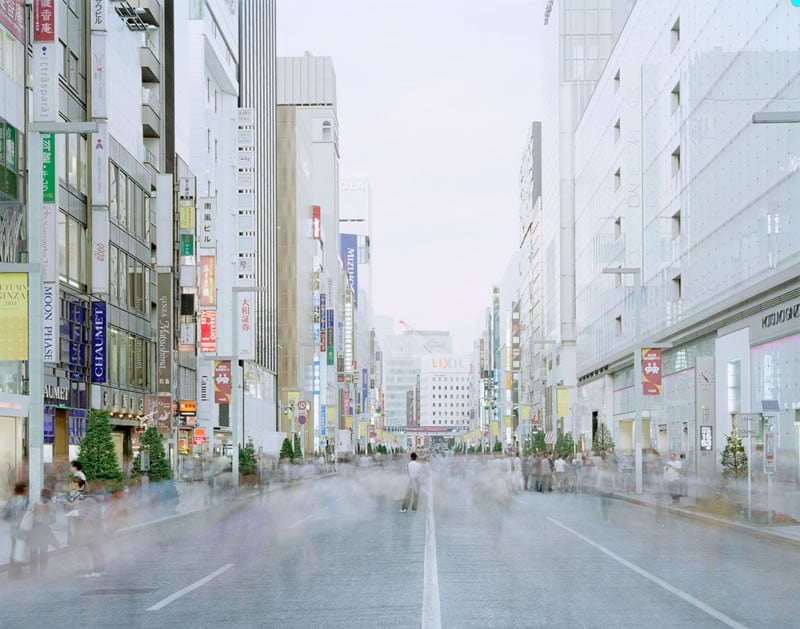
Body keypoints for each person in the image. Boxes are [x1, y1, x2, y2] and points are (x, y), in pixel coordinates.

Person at [28, 488, 58, 577]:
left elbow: (29, 518)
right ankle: (43, 572)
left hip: (34, 531)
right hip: (44, 531)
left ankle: (33, 572)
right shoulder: (49, 507)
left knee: (33, 551)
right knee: (43, 552)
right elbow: (52, 521)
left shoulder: (34, 505)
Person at [3, 481, 29, 579]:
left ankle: (13, 571)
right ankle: (16, 571)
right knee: (20, 548)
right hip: (22, 527)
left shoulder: (11, 500)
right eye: (26, 488)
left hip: (13, 527)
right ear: (22, 489)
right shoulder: (26, 500)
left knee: (15, 547)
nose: (27, 489)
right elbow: (28, 514)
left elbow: (6, 513)